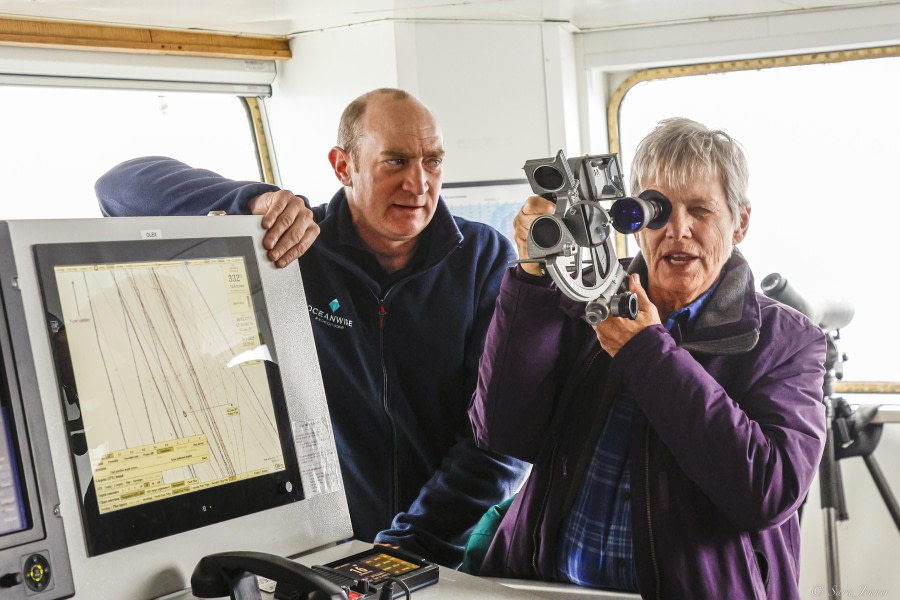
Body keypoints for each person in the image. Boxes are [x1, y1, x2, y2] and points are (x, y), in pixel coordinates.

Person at [94, 87, 528, 567]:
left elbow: (500, 437)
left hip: (449, 549)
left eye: (433, 161)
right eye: (396, 162)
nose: (419, 183)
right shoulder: (293, 247)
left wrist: (414, 543)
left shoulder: (485, 259)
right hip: (326, 550)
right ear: (343, 166)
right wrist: (250, 200)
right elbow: (119, 187)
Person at [467, 117, 827, 598]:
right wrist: (532, 277)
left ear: (739, 222)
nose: (678, 230)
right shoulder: (586, 294)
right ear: (631, 219)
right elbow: (503, 430)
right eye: (657, 210)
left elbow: (767, 491)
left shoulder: (789, 341)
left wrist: (647, 352)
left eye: (701, 210)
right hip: (547, 587)